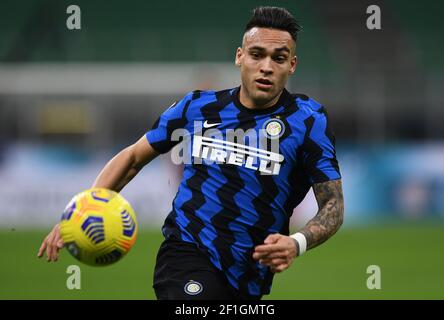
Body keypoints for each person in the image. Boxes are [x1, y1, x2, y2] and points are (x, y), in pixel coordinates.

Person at [37, 6, 344, 300]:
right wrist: (80, 212)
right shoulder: (196, 108)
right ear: (240, 57)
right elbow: (132, 158)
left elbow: (333, 204)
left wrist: (296, 242)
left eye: (279, 58)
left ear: (292, 65)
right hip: (186, 252)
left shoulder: (308, 121)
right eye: (256, 54)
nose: (266, 66)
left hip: (250, 275)